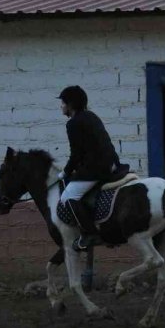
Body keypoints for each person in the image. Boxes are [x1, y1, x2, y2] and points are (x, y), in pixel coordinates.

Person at [57, 85, 121, 251]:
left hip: (96, 168)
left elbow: (76, 154)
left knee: (68, 196)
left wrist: (64, 172)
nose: (61, 106)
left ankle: (90, 234)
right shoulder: (92, 116)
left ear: (70, 104)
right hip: (112, 163)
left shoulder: (73, 124)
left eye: (63, 102)